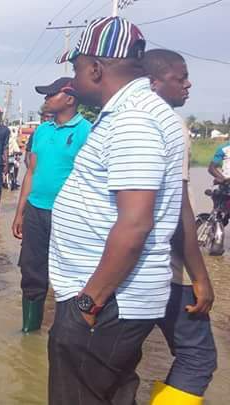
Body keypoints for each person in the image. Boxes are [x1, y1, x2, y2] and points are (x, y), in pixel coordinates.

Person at [48, 17, 185, 404]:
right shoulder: (140, 111)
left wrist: (88, 305)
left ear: (95, 68)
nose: (74, 79)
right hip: (110, 298)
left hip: (106, 301)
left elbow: (135, 223)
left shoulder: (134, 120)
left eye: (76, 68)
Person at [142, 49, 217, 405]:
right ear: (154, 82)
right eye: (180, 77)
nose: (189, 85)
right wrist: (200, 277)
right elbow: (181, 210)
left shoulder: (116, 123)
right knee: (198, 356)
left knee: (121, 357)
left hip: (122, 271)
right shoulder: (173, 128)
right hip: (166, 273)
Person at [11, 77, 91, 333]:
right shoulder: (41, 131)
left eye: (50, 94)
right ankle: (29, 331)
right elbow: (31, 172)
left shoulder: (86, 131)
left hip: (70, 215)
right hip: (36, 210)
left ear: (69, 98)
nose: (45, 99)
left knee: (72, 275)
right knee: (31, 270)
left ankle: (71, 332)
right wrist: (20, 212)